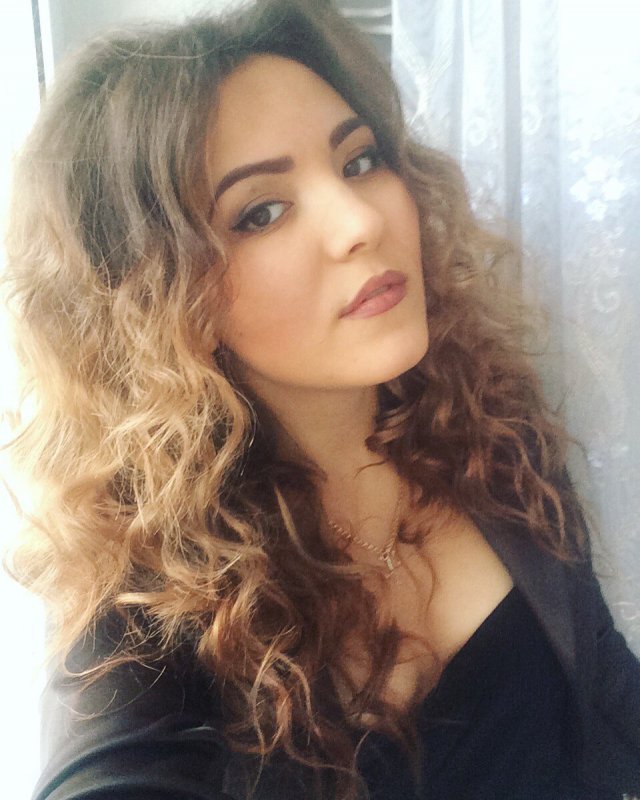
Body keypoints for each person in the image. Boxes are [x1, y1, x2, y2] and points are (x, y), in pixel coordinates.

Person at [3, 0, 639, 798]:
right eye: (261, 213)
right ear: (155, 298)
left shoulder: (488, 429)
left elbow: (606, 692)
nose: (359, 220)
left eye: (359, 161)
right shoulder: (144, 617)